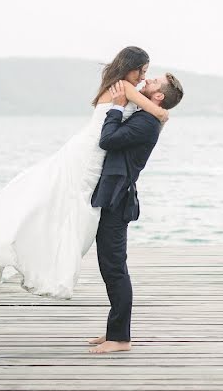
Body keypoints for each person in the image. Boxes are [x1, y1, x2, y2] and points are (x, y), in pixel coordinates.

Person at [0, 46, 171, 343]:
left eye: (149, 77)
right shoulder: (123, 88)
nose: (144, 79)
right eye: (144, 72)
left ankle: (116, 333)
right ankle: (114, 331)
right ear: (131, 68)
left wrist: (154, 116)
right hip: (88, 154)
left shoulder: (119, 87)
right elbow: (156, 111)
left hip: (91, 156)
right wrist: (163, 116)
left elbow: (142, 116)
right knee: (59, 204)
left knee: (57, 205)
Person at [88, 73, 184, 354]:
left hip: (118, 200)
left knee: (115, 267)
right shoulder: (146, 115)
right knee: (110, 266)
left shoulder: (146, 122)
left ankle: (120, 339)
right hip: (115, 195)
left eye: (153, 81)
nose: (148, 80)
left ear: (159, 97)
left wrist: (117, 107)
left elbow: (107, 140)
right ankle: (113, 331)